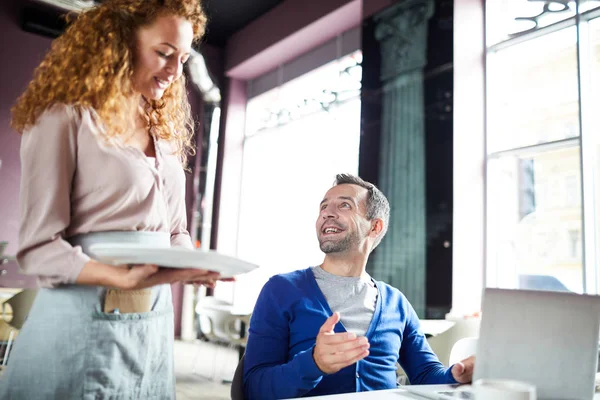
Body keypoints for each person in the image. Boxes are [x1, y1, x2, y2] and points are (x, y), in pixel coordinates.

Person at [0, 0, 226, 398]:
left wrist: (192, 264)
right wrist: (120, 277)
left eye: (184, 58)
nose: (176, 72)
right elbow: (38, 250)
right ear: (121, 42)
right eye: (163, 53)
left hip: (151, 327)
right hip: (77, 323)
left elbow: (175, 231)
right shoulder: (64, 118)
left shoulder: (166, 137)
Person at [243, 174, 475, 399]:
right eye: (323, 207)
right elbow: (253, 388)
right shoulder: (281, 290)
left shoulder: (397, 303)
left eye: (344, 205)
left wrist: (456, 374)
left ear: (374, 227)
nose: (327, 214)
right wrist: (313, 363)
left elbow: (425, 374)